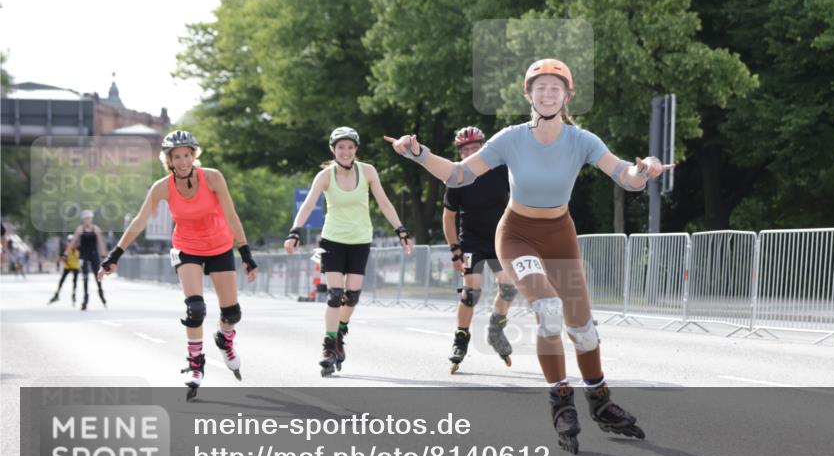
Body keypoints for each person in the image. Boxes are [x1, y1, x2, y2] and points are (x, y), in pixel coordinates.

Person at [386, 59, 671, 453]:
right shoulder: (510, 138)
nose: (548, 93)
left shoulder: (582, 140)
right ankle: (560, 401)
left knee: (584, 327)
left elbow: (625, 176)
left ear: (567, 96)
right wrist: (417, 152)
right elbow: (457, 175)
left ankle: (601, 401)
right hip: (517, 234)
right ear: (528, 94)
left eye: (556, 88)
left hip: (560, 235)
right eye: (540, 87)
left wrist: (645, 171)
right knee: (549, 310)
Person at [97, 130, 258, 399]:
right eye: (177, 157)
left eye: (187, 155)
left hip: (219, 246)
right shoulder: (162, 187)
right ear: (168, 160)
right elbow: (139, 221)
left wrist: (246, 253)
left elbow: (231, 215)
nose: (183, 161)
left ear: (194, 155)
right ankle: (196, 364)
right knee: (195, 308)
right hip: (187, 247)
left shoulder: (213, 177)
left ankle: (224, 339)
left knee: (232, 313)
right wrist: (114, 256)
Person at [285, 126, 414, 377]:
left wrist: (401, 230)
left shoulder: (367, 171)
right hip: (332, 240)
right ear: (333, 150)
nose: (346, 152)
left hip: (360, 240)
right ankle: (328, 346)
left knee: (351, 296)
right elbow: (309, 204)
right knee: (335, 294)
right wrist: (295, 231)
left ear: (356, 149)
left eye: (350, 147)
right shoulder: (325, 176)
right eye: (341, 147)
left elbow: (384, 202)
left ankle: (340, 330)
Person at [442, 125, 519, 373]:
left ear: (484, 148)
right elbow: (448, 217)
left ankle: (496, 330)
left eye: (476, 147)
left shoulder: (501, 170)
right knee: (471, 292)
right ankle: (460, 339)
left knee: (508, 288)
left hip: (500, 239)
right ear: (461, 153)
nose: (471, 153)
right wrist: (455, 249)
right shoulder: (457, 176)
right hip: (472, 241)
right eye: (466, 149)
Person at [64, 210, 108, 309]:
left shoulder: (96, 229)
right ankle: (85, 299)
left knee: (98, 275)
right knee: (85, 277)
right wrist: (66, 252)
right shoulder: (80, 229)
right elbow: (73, 242)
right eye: (86, 219)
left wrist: (104, 255)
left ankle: (101, 293)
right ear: (83, 220)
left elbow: (101, 243)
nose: (88, 221)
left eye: (90, 218)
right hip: (84, 255)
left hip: (94, 255)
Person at [49, 234, 81, 305]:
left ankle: (73, 294)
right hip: (67, 267)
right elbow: (60, 258)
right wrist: (59, 263)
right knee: (62, 281)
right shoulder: (65, 249)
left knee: (75, 282)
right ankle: (57, 294)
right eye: (69, 241)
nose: (71, 243)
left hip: (75, 267)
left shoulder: (78, 249)